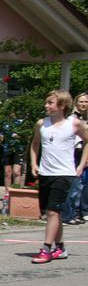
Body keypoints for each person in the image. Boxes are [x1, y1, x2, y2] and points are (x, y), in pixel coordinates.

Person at [29, 91, 88, 264]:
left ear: (62, 106)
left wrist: (82, 163)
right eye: (46, 102)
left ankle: (46, 249)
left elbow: (87, 141)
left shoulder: (74, 123)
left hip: (64, 173)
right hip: (46, 172)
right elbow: (34, 144)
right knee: (51, 212)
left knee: (53, 211)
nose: (46, 106)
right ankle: (60, 247)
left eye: (51, 103)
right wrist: (34, 163)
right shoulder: (42, 124)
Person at [61, 92, 88, 225]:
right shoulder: (73, 118)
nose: (83, 104)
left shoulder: (84, 118)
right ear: (76, 103)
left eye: (86, 102)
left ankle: (76, 212)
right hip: (74, 152)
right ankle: (68, 214)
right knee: (74, 185)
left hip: (82, 152)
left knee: (80, 186)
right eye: (81, 102)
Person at [0, 114, 26, 195]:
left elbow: (26, 135)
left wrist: (19, 136)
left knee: (17, 172)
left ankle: (16, 193)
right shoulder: (5, 124)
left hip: (18, 149)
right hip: (7, 150)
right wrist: (0, 137)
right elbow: (0, 135)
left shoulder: (21, 123)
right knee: (7, 173)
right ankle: (7, 194)